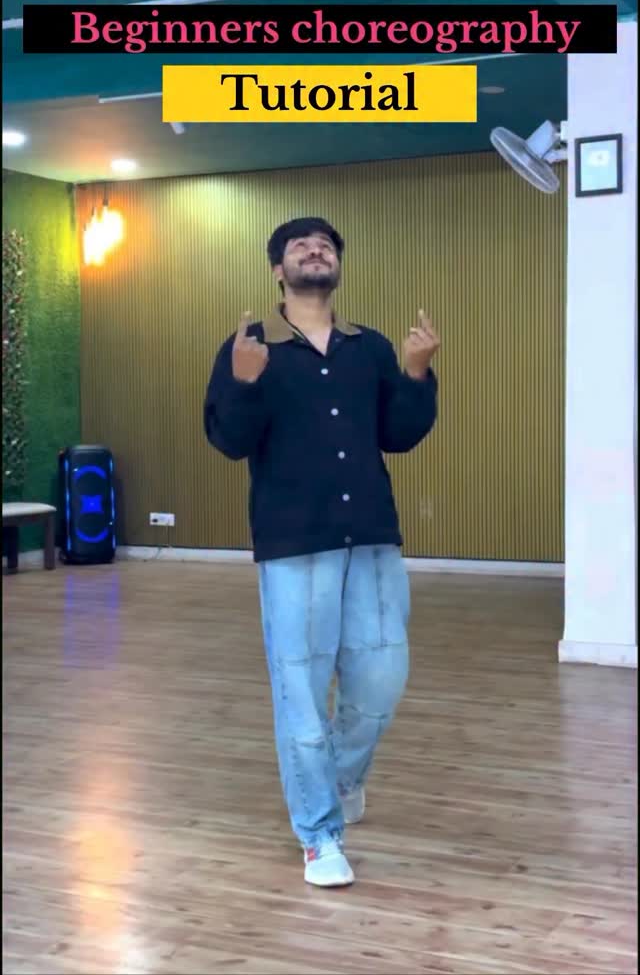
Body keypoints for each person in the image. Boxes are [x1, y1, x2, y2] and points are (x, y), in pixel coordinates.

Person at [204, 217, 439, 887]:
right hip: (294, 542)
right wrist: (244, 383)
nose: (316, 250)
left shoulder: (370, 348)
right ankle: (319, 835)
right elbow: (229, 440)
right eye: (301, 245)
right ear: (277, 270)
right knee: (301, 698)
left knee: (381, 682)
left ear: (337, 265)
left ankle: (338, 779)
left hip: (371, 536)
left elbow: (398, 434)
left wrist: (416, 373)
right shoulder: (250, 347)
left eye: (327, 244)